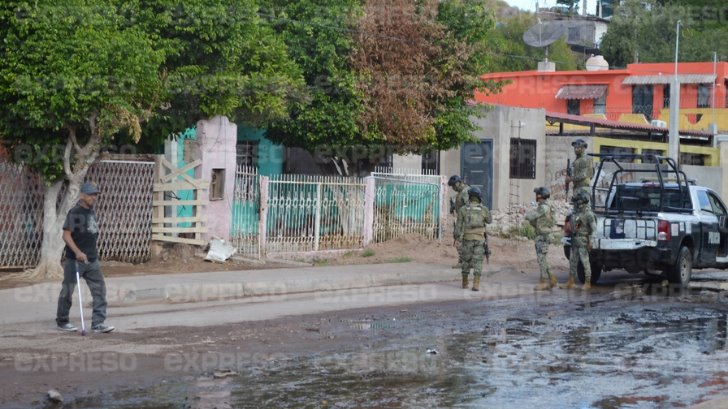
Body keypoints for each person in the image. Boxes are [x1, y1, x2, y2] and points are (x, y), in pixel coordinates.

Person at [56, 182, 115, 333]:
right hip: (75, 260)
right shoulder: (75, 213)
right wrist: (77, 252)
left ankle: (98, 323)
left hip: (92, 260)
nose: (93, 198)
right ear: (82, 195)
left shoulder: (91, 212)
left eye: (95, 195)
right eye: (90, 195)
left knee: (99, 290)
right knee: (67, 290)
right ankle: (62, 321)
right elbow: (66, 235)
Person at [454, 187, 492, 291]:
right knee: (478, 261)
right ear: (479, 197)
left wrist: (456, 238)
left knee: (466, 260)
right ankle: (476, 284)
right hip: (480, 239)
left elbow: (458, 226)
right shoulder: (484, 209)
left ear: (470, 197)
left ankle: (465, 282)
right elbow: (489, 220)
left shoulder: (463, 209)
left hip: (467, 239)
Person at [525, 187, 557, 291]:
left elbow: (531, 216)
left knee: (541, 259)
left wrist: (525, 214)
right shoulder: (549, 206)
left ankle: (543, 282)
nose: (536, 196)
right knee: (543, 258)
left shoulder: (543, 207)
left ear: (539, 196)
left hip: (542, 236)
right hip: (544, 234)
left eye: (537, 194)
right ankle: (552, 279)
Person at [566, 190, 597, 291]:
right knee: (572, 261)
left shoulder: (589, 214)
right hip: (575, 240)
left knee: (585, 262)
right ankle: (571, 281)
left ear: (582, 202)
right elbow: (578, 226)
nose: (576, 204)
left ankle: (587, 283)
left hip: (583, 241)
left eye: (578, 201)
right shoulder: (577, 213)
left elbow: (594, 229)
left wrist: (591, 242)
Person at [448, 175, 470, 269]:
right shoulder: (462, 192)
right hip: (463, 219)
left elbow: (468, 207)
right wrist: (454, 207)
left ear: (457, 184)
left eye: (453, 186)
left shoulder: (465, 192)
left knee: (458, 239)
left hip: (465, 221)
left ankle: (463, 261)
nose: (453, 188)